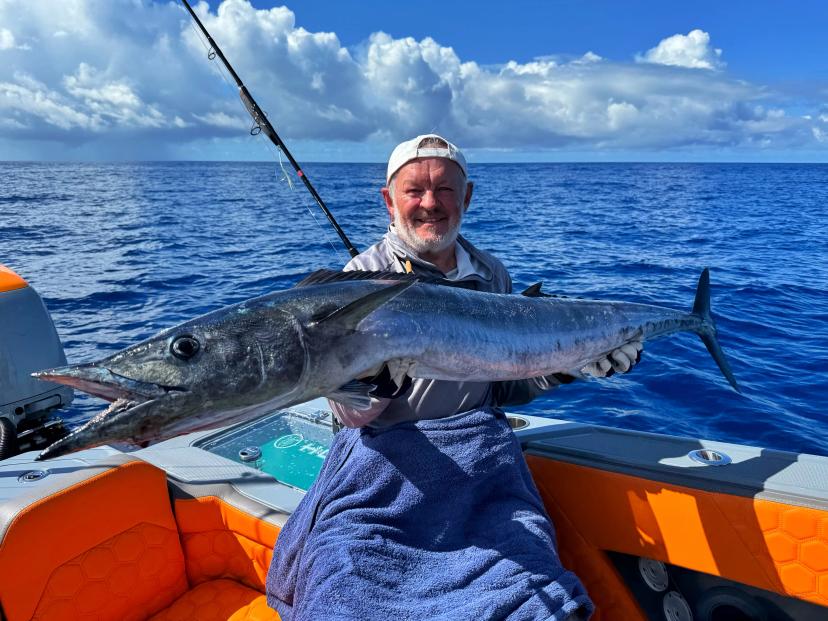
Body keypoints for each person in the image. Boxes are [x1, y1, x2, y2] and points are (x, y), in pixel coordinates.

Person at [266, 134, 642, 620]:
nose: (430, 204)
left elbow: (502, 382)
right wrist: (379, 383)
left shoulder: (491, 275)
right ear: (389, 199)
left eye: (445, 190)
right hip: (387, 467)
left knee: (530, 583)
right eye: (414, 190)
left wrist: (573, 367)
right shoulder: (359, 277)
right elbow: (349, 415)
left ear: (466, 197)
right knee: (346, 581)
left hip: (482, 463)